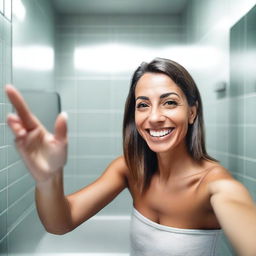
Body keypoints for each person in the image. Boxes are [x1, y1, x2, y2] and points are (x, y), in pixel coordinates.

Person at [5, 57, 256, 256]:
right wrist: (48, 178)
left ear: (192, 112)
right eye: (143, 105)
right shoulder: (129, 168)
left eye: (169, 103)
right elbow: (60, 223)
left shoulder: (217, 187)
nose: (154, 117)